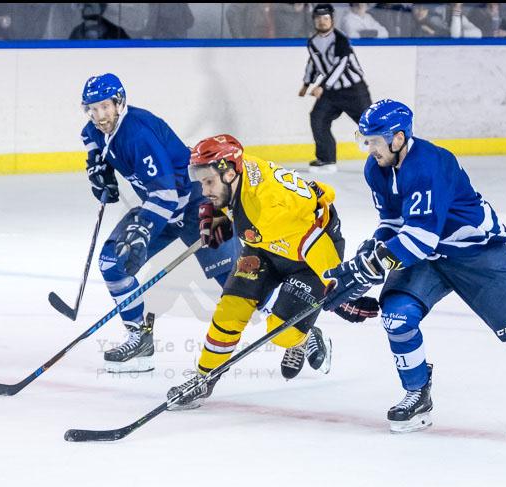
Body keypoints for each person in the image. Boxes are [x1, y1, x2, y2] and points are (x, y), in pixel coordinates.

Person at [321, 99, 506, 432]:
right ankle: (417, 393)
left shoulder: (430, 164)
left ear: (398, 138)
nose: (369, 148)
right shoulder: (376, 169)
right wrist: (368, 255)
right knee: (397, 317)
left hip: (476, 255)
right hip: (427, 259)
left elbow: (420, 238)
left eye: (374, 141)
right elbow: (392, 222)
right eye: (365, 140)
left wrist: (373, 266)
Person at [167, 135, 380, 410]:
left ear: (229, 174)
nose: (204, 189)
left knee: (282, 333)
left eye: (209, 183)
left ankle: (303, 337)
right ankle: (203, 379)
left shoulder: (269, 208)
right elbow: (228, 193)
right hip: (266, 245)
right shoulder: (236, 170)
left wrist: (340, 291)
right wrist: (216, 211)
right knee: (230, 309)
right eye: (202, 182)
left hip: (308, 256)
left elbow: (315, 243)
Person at [79, 74, 240, 373]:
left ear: (119, 103)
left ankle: (301, 335)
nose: (99, 116)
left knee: (240, 281)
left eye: (105, 107)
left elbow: (167, 194)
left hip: (199, 204)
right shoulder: (93, 131)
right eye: (93, 108)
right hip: (160, 207)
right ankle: (139, 338)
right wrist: (99, 173)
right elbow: (93, 147)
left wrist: (144, 227)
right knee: (113, 262)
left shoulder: (138, 134)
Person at [300, 4, 372, 175]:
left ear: (332, 19)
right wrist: (306, 83)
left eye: (326, 18)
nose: (322, 21)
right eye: (318, 18)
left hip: (353, 90)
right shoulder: (313, 42)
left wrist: (322, 86)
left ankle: (391, 156)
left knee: (370, 124)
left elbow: (340, 65)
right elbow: (314, 63)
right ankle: (326, 159)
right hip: (331, 92)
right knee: (318, 118)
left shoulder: (341, 40)